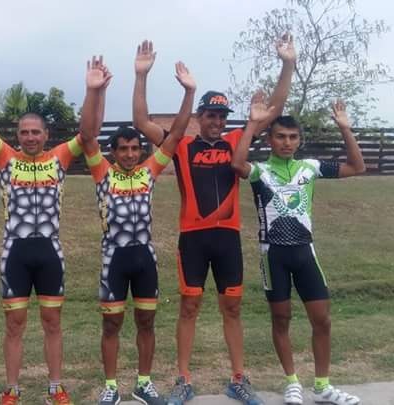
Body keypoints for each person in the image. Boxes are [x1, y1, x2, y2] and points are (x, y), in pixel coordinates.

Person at [132, 36, 296, 405]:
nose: (217, 122)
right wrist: (141, 75)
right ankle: (183, 380)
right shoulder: (181, 144)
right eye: (210, 115)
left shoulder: (237, 139)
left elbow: (273, 111)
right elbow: (141, 121)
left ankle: (238, 379)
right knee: (189, 307)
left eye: (222, 116)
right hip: (193, 239)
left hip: (227, 239)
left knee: (232, 308)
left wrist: (287, 65)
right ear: (199, 117)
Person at [0, 40, 83, 405]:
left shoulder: (59, 158)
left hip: (50, 252)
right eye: (24, 132)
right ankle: (12, 389)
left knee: (52, 323)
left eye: (35, 132)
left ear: (46, 135)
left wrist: (94, 91)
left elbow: (89, 132)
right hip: (15, 252)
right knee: (14, 325)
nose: (29, 137)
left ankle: (55, 387)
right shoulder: (6, 158)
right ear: (18, 135)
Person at [230, 97, 365, 405]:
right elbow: (237, 164)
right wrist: (252, 123)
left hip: (305, 252)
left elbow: (357, 167)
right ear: (270, 139)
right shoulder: (261, 171)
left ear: (299, 140)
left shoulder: (310, 168)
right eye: (280, 136)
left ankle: (322, 386)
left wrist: (345, 129)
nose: (287, 142)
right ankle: (292, 382)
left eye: (293, 137)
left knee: (322, 319)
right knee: (281, 319)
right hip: (273, 255)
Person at [79, 52, 195, 405]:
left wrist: (189, 92)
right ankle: (111, 386)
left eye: (134, 149)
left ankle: (144, 383)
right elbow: (86, 136)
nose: (130, 154)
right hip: (113, 260)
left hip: (145, 258)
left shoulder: (148, 171)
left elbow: (176, 135)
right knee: (111, 325)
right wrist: (93, 91)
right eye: (123, 149)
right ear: (113, 152)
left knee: (147, 322)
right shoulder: (103, 173)